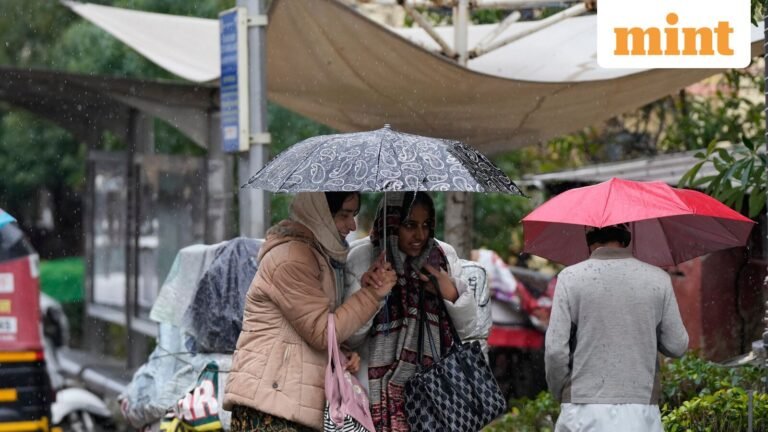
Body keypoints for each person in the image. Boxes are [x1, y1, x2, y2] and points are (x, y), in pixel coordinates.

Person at [223, 192, 397, 431]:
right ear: (320, 214)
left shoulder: (318, 256)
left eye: (354, 215)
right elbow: (322, 332)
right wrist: (370, 295)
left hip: (289, 403)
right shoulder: (292, 258)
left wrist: (342, 352)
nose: (352, 225)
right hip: (270, 407)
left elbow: (310, 328)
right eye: (344, 215)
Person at [344, 191, 483, 432]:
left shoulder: (442, 256)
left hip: (436, 393)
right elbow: (350, 339)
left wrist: (450, 293)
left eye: (426, 225)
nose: (420, 235)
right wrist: (372, 296)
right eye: (410, 225)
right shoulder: (361, 257)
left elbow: (470, 329)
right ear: (392, 222)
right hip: (375, 395)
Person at [544, 223, 689, 432]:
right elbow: (677, 345)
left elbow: (555, 351)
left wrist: (563, 392)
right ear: (625, 240)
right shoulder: (659, 279)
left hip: (583, 409)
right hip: (640, 411)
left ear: (589, 241)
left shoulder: (570, 278)